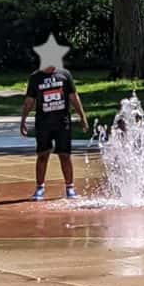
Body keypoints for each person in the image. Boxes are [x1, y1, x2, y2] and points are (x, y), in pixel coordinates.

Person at [20, 62, 89, 201]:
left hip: (62, 123)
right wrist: (23, 120)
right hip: (43, 123)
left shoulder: (64, 75)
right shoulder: (35, 77)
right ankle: (40, 187)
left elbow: (74, 97)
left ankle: (70, 188)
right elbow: (29, 100)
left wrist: (82, 117)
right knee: (42, 155)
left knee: (65, 155)